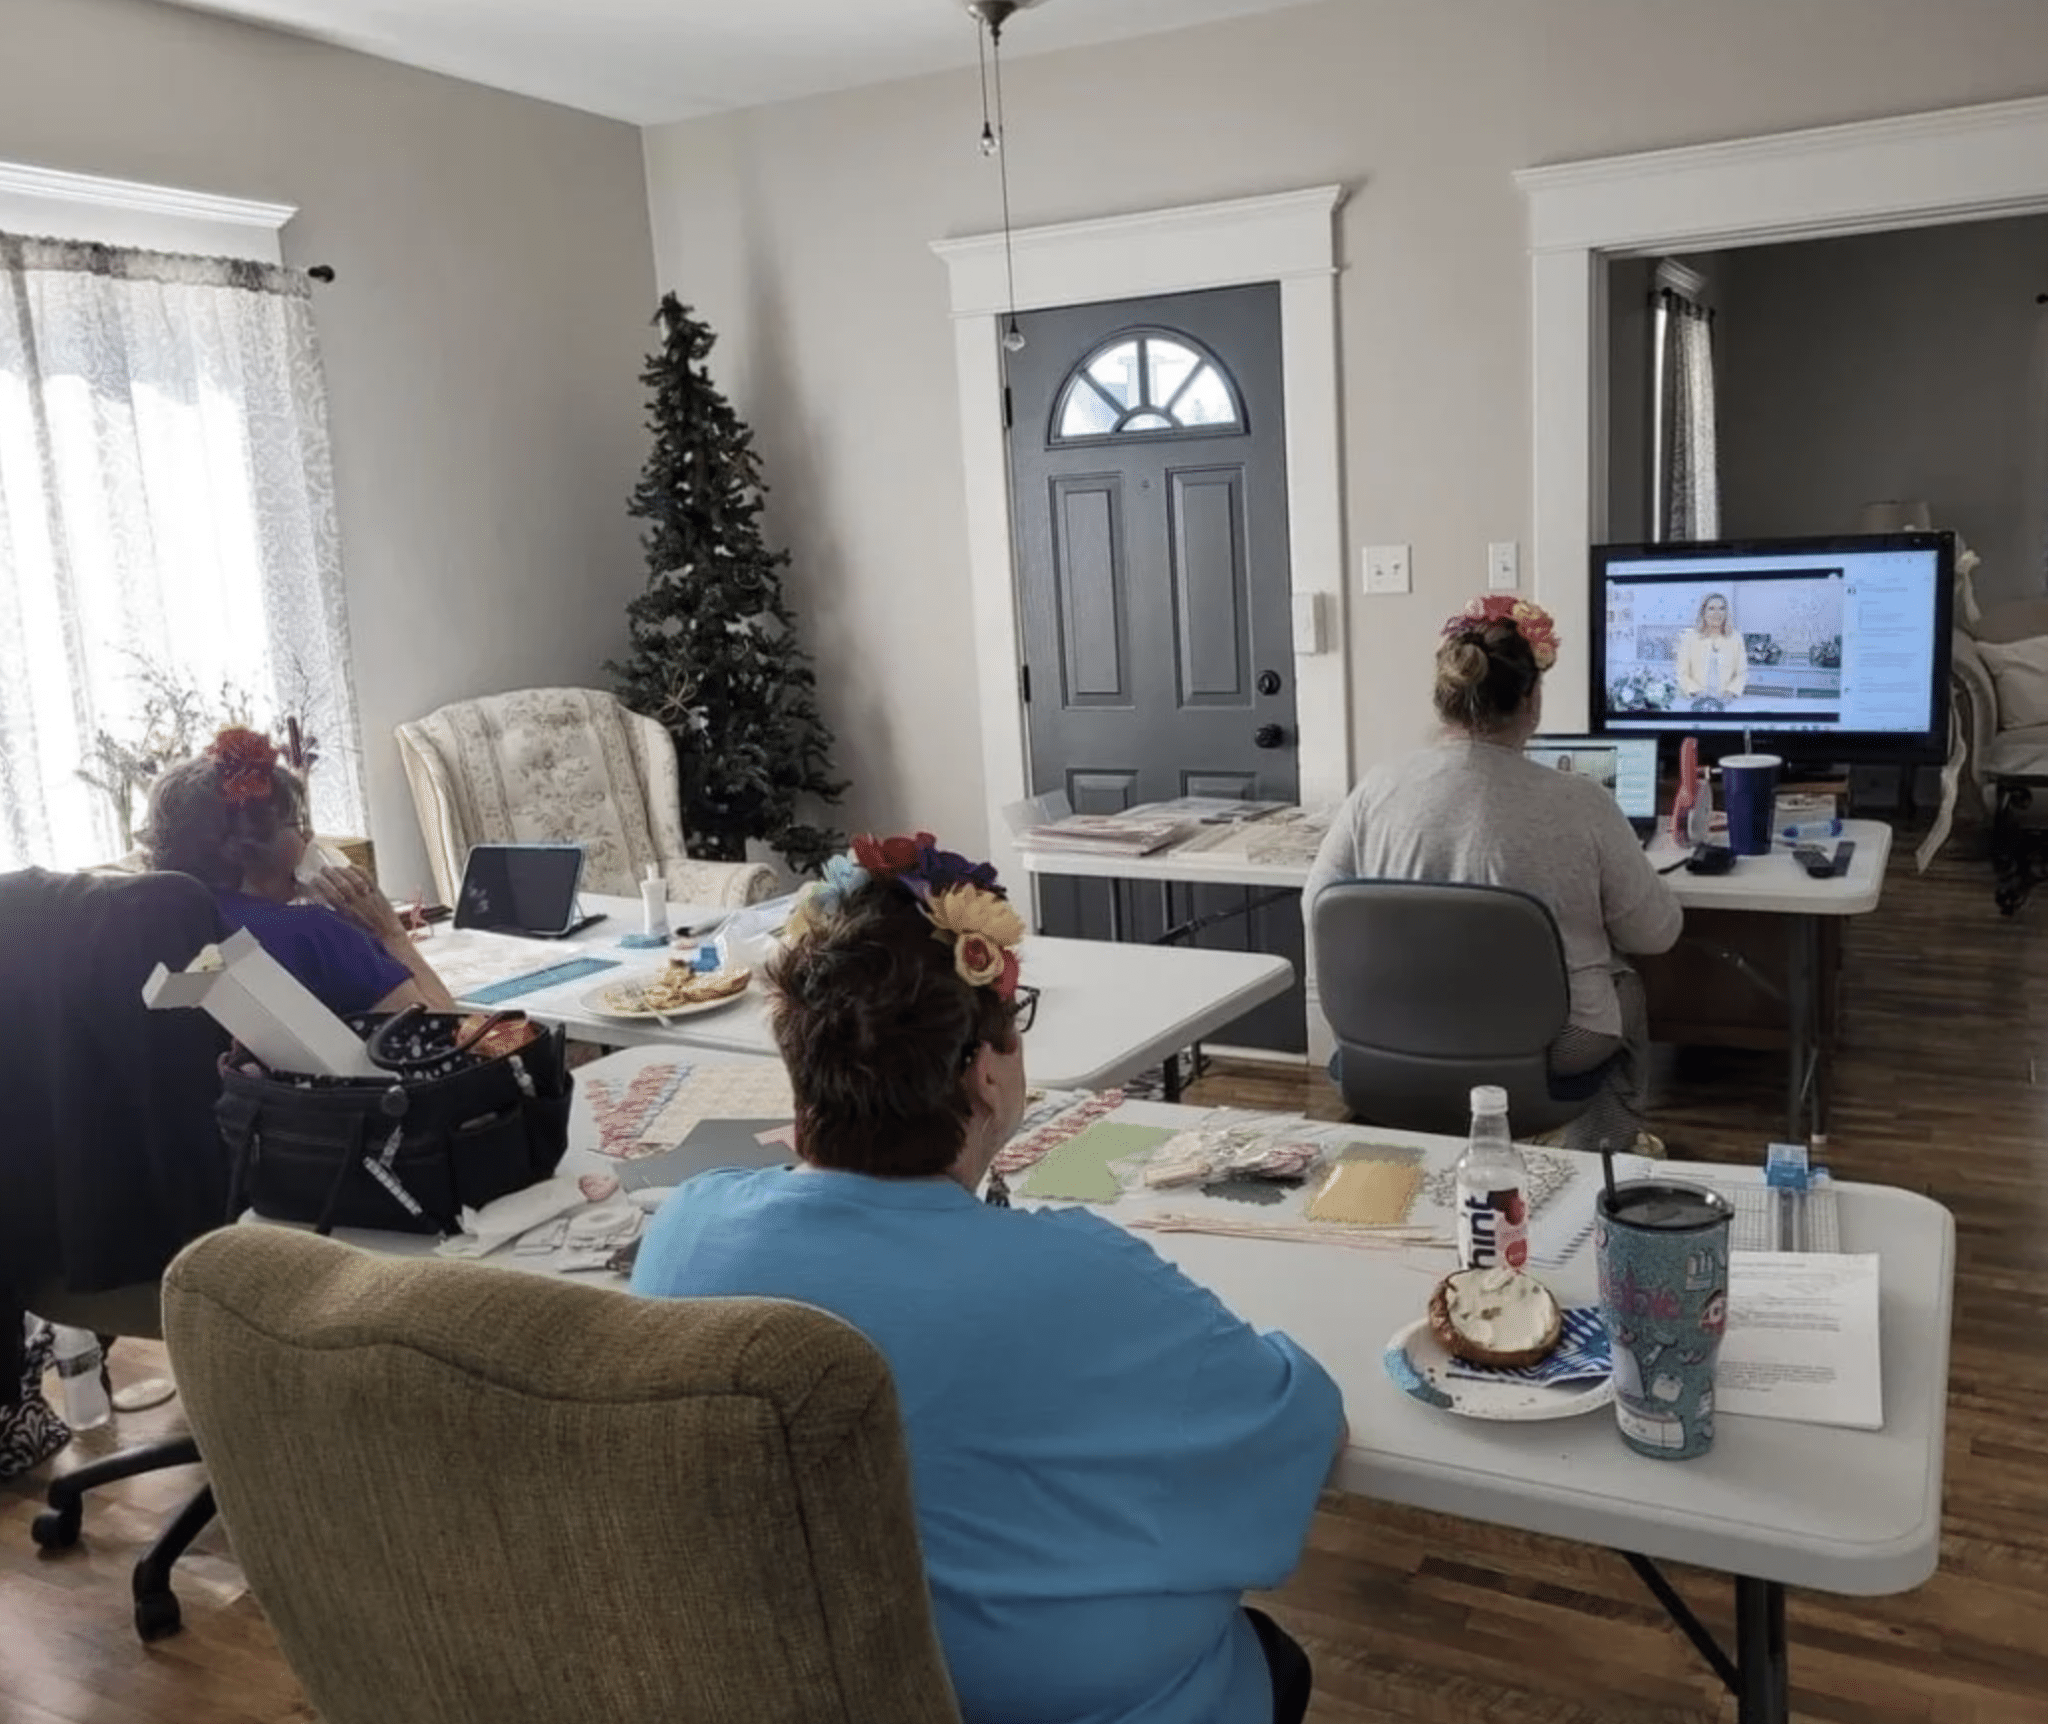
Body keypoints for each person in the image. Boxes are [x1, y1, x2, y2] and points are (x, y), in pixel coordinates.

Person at [632, 833, 1344, 1724]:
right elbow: (1297, 1422)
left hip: (794, 1685)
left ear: (796, 1062)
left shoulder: (685, 1234)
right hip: (1058, 1702)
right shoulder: (1083, 1277)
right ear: (984, 1070)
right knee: (1276, 1659)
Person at [1304, 596, 1681, 1154]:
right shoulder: (1582, 803)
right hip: (1548, 1049)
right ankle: (1599, 1157)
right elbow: (1657, 933)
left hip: (1395, 1041)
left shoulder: (1375, 789)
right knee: (1623, 983)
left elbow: (1317, 906)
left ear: (1444, 699)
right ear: (1530, 701)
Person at [142, 727, 455, 1017]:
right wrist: (392, 935)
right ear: (245, 846)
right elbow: (449, 1033)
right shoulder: (317, 935)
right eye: (296, 825)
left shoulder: (162, 929)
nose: (308, 838)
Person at [1675, 591, 1748, 706]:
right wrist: (1698, 695)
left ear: (1726, 612)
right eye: (1711, 608)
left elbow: (1741, 673)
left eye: (1722, 608)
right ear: (1703, 612)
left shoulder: (1736, 638)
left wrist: (1728, 695)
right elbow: (1682, 673)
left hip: (1726, 702)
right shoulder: (1689, 637)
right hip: (1693, 701)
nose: (1717, 613)